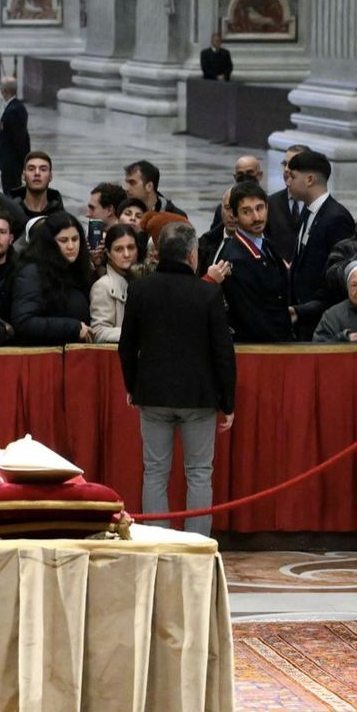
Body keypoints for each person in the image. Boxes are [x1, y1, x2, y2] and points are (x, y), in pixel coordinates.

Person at [117, 221, 235, 538]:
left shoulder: (140, 288)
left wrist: (131, 386)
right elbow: (223, 352)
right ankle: (197, 543)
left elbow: (126, 345)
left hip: (152, 393)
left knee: (155, 471)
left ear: (157, 253)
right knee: (198, 473)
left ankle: (158, 539)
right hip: (199, 396)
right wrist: (228, 401)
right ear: (193, 255)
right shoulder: (208, 292)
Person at [285, 150, 356, 339]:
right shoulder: (307, 212)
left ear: (309, 180)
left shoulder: (337, 218)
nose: (288, 181)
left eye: (292, 176)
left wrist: (305, 310)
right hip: (301, 317)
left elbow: (337, 278)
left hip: (321, 320)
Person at [218, 180, 293, 342]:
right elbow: (251, 318)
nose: (257, 217)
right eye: (247, 212)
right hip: (263, 349)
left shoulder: (266, 244)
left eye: (260, 208)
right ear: (234, 215)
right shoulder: (237, 259)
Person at [8, 211, 94, 345]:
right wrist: (72, 327)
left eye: (75, 239)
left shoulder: (78, 270)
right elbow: (24, 322)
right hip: (42, 356)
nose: (71, 246)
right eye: (63, 240)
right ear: (50, 242)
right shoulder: (32, 273)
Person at [88, 223, 140, 343]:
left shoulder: (140, 280)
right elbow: (99, 331)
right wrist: (137, 333)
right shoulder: (102, 286)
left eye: (131, 247)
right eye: (119, 249)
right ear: (108, 254)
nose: (126, 254)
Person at [0, 77, 31, 194]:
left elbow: (19, 139)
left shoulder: (14, 110)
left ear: (5, 91)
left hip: (11, 164)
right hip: (10, 163)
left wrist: (23, 163)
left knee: (11, 193)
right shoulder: (14, 107)